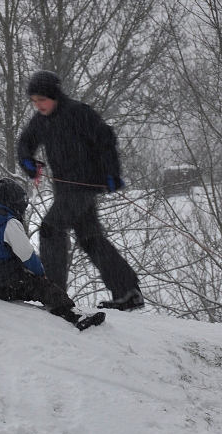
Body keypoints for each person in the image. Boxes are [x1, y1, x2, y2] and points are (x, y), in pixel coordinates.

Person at [16, 71, 144, 310]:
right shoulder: (41, 120)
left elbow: (106, 139)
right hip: (64, 189)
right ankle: (128, 292)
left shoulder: (78, 113)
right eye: (34, 101)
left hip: (84, 185)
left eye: (42, 99)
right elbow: (25, 143)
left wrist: (111, 173)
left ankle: (54, 294)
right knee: (90, 238)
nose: (39, 105)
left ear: (54, 95)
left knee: (51, 230)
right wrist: (27, 162)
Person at [0, 177, 106, 330]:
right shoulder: (8, 222)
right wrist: (40, 275)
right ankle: (75, 316)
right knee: (43, 287)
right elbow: (26, 255)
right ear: (12, 201)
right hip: (5, 283)